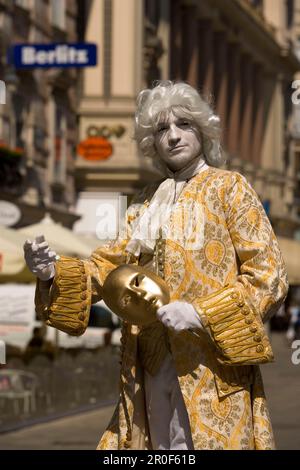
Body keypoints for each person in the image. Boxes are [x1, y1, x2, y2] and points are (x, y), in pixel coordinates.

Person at [24, 81, 288, 450]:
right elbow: (107, 269)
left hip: (209, 369)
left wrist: (201, 314)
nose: (173, 136)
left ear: (202, 130)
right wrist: (51, 273)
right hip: (147, 366)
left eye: (184, 124)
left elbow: (269, 276)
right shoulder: (145, 202)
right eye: (162, 128)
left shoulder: (230, 188)